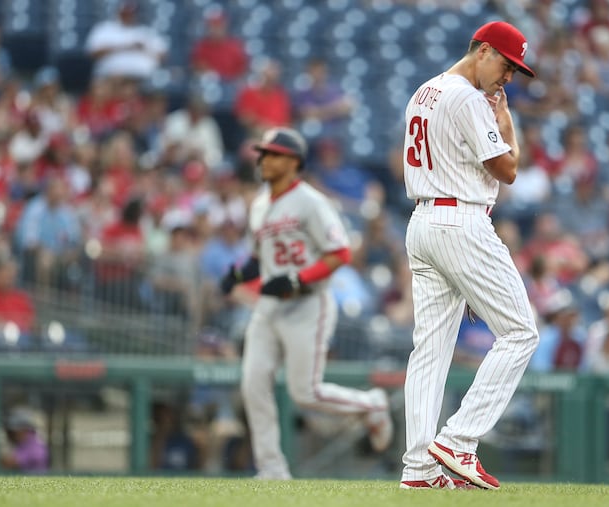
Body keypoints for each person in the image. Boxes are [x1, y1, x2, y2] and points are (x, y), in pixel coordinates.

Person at [399, 21, 539, 490]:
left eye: (516, 70)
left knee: (430, 352)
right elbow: (508, 168)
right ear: (481, 50)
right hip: (460, 219)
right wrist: (507, 123)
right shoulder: (466, 97)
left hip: (423, 222)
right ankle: (459, 440)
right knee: (521, 332)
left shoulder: (425, 91)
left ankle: (418, 470)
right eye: (505, 63)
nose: (509, 78)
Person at [219, 127, 393, 480]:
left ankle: (371, 404)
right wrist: (237, 275)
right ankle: (271, 469)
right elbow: (258, 259)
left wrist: (299, 279)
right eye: (263, 153)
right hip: (269, 306)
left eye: (272, 154)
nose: (264, 160)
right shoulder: (259, 205)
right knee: (253, 383)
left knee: (305, 393)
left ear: (293, 161)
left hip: (307, 304)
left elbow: (340, 252)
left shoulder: (312, 202)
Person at [85, 0, 168, 81]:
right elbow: (92, 54)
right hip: (110, 77)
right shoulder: (105, 29)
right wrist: (124, 47)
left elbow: (163, 57)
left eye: (132, 13)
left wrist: (144, 49)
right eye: (125, 12)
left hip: (143, 79)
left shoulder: (147, 32)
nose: (128, 16)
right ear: (118, 12)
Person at [0, 409, 49, 473]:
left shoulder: (34, 446)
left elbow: (9, 462)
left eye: (14, 432)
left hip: (34, 480)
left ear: (25, 430)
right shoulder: (21, 444)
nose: (12, 435)